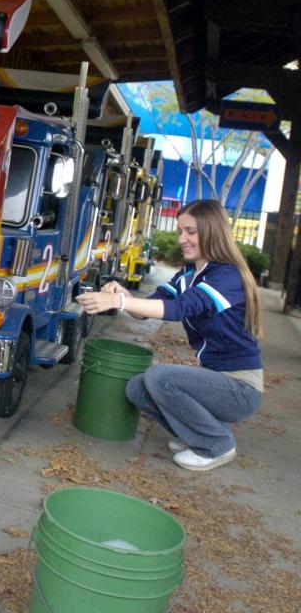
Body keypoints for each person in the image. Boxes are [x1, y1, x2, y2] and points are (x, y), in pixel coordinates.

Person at [77, 199, 263, 471]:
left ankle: (217, 444)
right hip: (216, 379)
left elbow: (178, 309)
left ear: (212, 231)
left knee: (159, 377)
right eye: (180, 231)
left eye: (191, 231)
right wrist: (123, 296)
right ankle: (196, 435)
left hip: (240, 389)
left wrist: (120, 304)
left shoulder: (227, 276)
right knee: (137, 388)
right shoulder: (188, 275)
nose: (182, 239)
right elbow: (146, 310)